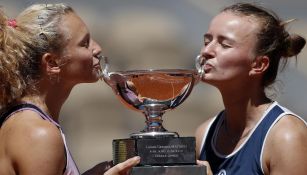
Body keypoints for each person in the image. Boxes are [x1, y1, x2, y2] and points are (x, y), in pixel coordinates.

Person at [0, 3, 140, 175]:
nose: (97, 49)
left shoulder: (26, 121)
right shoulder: (39, 134)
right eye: (85, 43)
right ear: (52, 62)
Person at [195, 2, 307, 175]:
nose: (207, 51)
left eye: (224, 45)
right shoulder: (204, 134)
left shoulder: (286, 136)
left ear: (259, 65)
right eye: (207, 41)